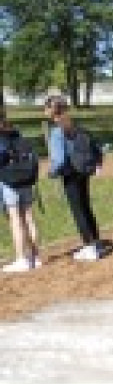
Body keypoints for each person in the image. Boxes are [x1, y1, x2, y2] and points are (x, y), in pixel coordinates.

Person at [44, 96, 104, 261]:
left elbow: (60, 160)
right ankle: (97, 242)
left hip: (70, 174)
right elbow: (94, 145)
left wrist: (52, 172)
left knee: (78, 211)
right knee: (86, 206)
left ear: (52, 111)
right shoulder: (76, 126)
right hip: (83, 171)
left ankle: (89, 247)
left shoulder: (57, 132)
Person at [0, 108, 41, 272]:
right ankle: (36, 256)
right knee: (29, 217)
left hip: (9, 180)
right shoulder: (16, 131)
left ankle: (21, 258)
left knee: (15, 218)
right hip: (26, 178)